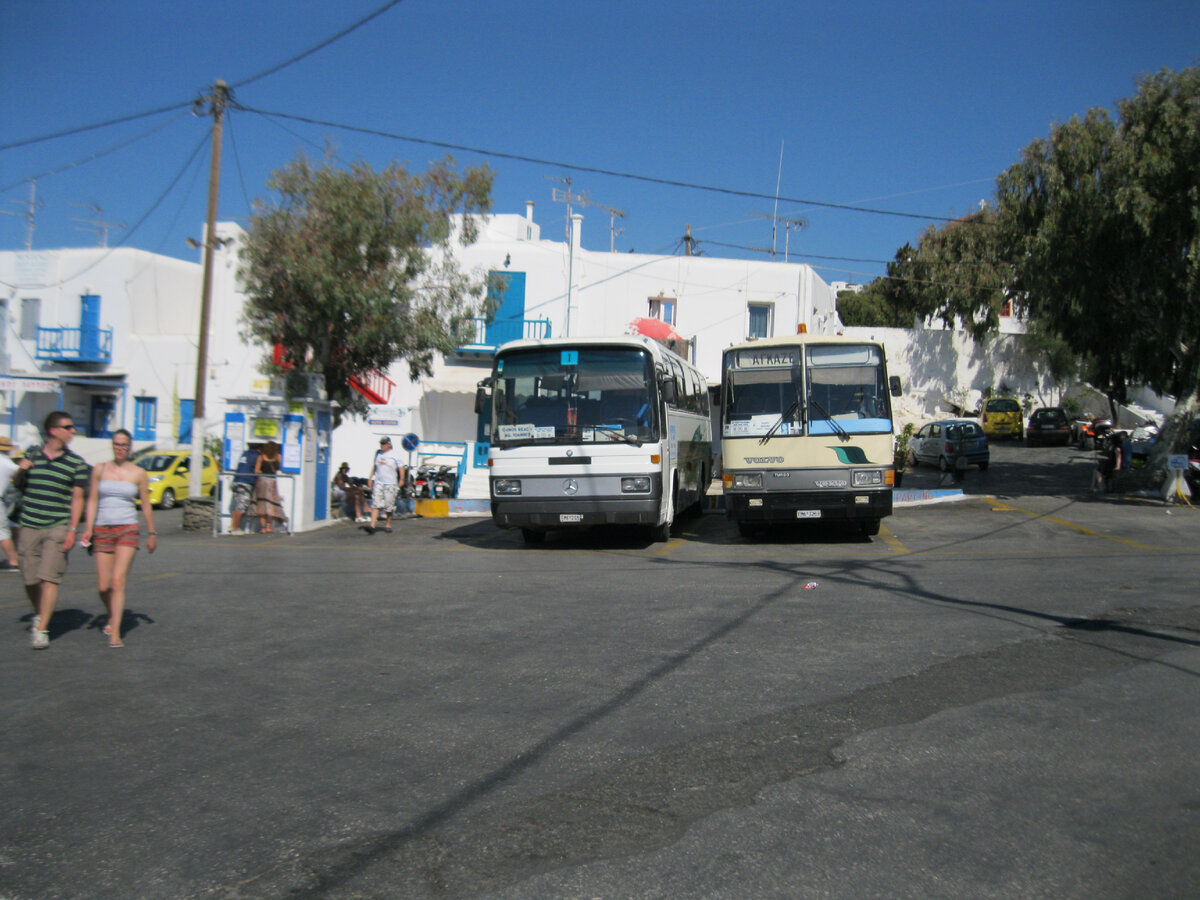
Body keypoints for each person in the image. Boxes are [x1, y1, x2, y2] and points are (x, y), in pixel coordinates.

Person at [17, 411, 90, 649]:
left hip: (58, 526)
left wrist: (72, 529)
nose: (73, 431)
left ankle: (42, 629)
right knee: (30, 579)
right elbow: (17, 484)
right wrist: (21, 469)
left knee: (50, 578)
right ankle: (41, 613)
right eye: (68, 427)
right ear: (53, 431)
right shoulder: (32, 454)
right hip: (30, 524)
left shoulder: (76, 463)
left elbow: (78, 499)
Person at [80, 429, 156, 648]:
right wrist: (88, 528)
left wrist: (152, 533)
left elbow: (146, 504)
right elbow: (92, 500)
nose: (120, 448)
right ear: (112, 445)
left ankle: (115, 633)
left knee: (117, 581)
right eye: (117, 444)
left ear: (130, 447)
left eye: (124, 444)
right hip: (102, 529)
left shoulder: (138, 472)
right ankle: (112, 614)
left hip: (127, 529)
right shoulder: (99, 469)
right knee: (103, 587)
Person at [363, 436, 401, 535]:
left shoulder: (394, 455)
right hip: (379, 482)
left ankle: (388, 525)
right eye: (381, 444)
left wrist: (401, 479)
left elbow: (401, 467)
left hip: (391, 483)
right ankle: (372, 526)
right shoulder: (378, 454)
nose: (382, 445)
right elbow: (374, 466)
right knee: (376, 503)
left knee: (389, 506)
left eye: (384, 444)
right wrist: (370, 478)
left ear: (389, 444)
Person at [254, 440, 287, 533]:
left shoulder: (261, 457)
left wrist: (263, 472)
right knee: (271, 504)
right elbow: (281, 467)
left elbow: (257, 470)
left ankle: (263, 527)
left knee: (261, 503)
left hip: (262, 481)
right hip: (272, 482)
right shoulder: (278, 456)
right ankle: (268, 526)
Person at [0, 437, 21, 572]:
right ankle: (14, 560)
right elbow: (22, 475)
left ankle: (13, 560)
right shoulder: (8, 464)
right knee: (2, 532)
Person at [229, 444, 259, 534]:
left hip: (237, 480)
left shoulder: (245, 453)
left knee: (237, 504)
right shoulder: (256, 455)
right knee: (241, 506)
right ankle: (235, 528)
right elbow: (257, 470)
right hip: (245, 482)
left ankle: (233, 526)